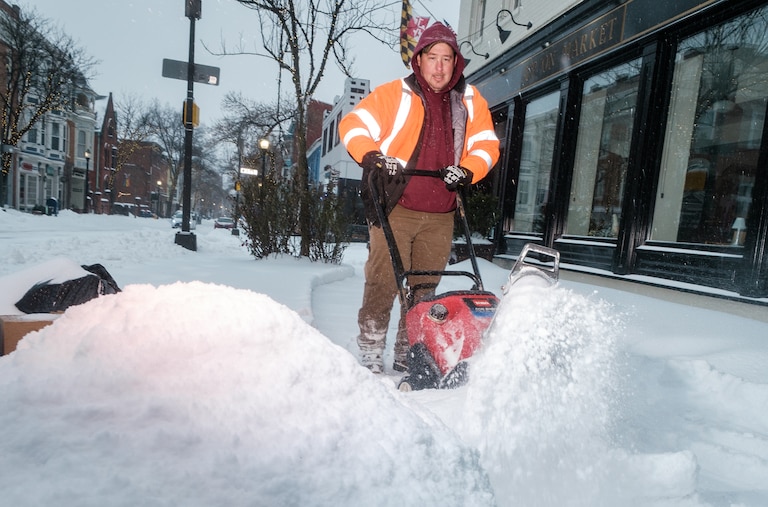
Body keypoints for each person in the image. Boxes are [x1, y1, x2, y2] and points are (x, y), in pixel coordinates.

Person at [338, 22, 500, 374]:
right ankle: (370, 345)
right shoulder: (393, 94)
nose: (440, 67)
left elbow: (487, 145)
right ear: (419, 60)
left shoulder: (469, 101)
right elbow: (353, 124)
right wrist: (374, 156)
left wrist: (468, 170)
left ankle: (408, 348)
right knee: (383, 280)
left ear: (455, 63)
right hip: (396, 205)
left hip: (441, 211)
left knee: (424, 289)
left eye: (447, 59)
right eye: (433, 58)